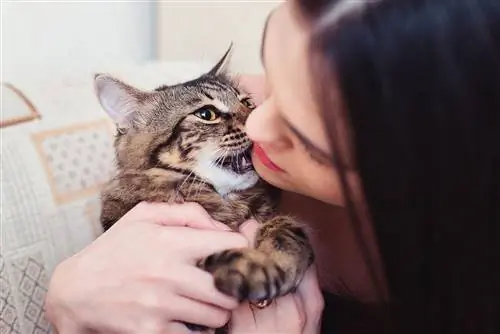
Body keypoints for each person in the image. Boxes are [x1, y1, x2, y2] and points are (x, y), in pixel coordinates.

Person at [44, 0, 500, 333]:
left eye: (303, 137)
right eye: (271, 79)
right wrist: (67, 298)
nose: (255, 122)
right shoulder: (239, 111)